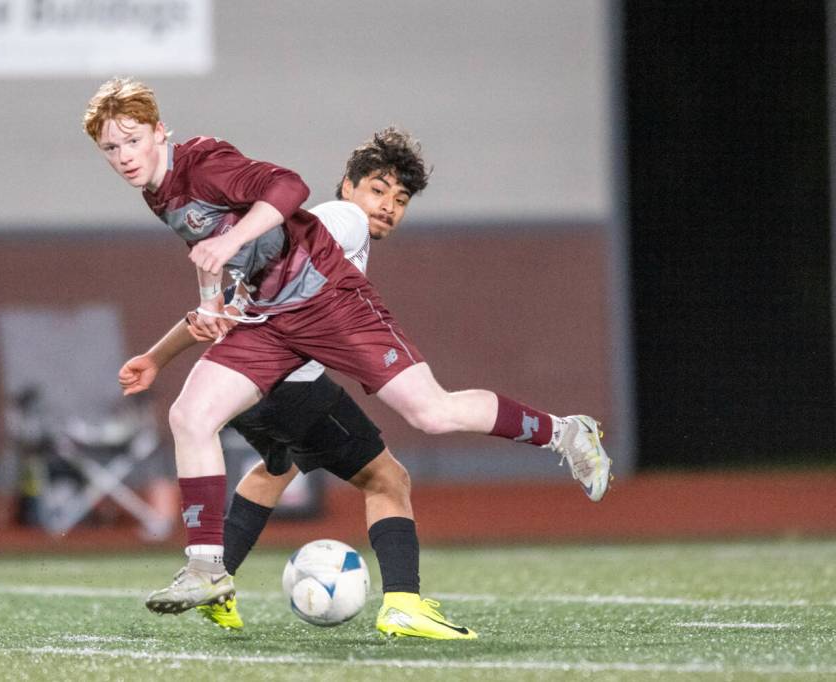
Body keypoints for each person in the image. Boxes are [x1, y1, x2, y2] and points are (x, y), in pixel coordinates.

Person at [82, 77, 611, 629]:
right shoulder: (158, 190)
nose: (124, 156)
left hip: (326, 303)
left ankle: (566, 432)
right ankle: (207, 567)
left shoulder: (236, 175)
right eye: (111, 149)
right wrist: (208, 303)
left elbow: (287, 187)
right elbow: (208, 249)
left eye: (133, 141)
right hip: (271, 322)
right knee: (190, 416)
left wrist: (231, 254)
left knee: (431, 413)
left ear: (159, 132)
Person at [118, 127, 477, 639]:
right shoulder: (339, 219)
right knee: (387, 479)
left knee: (276, 468)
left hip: (249, 391)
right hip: (291, 384)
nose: (387, 207)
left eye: (400, 200)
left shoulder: (300, 240)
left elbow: (232, 307)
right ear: (347, 187)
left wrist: (156, 356)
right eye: (377, 190)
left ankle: (218, 584)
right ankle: (405, 603)